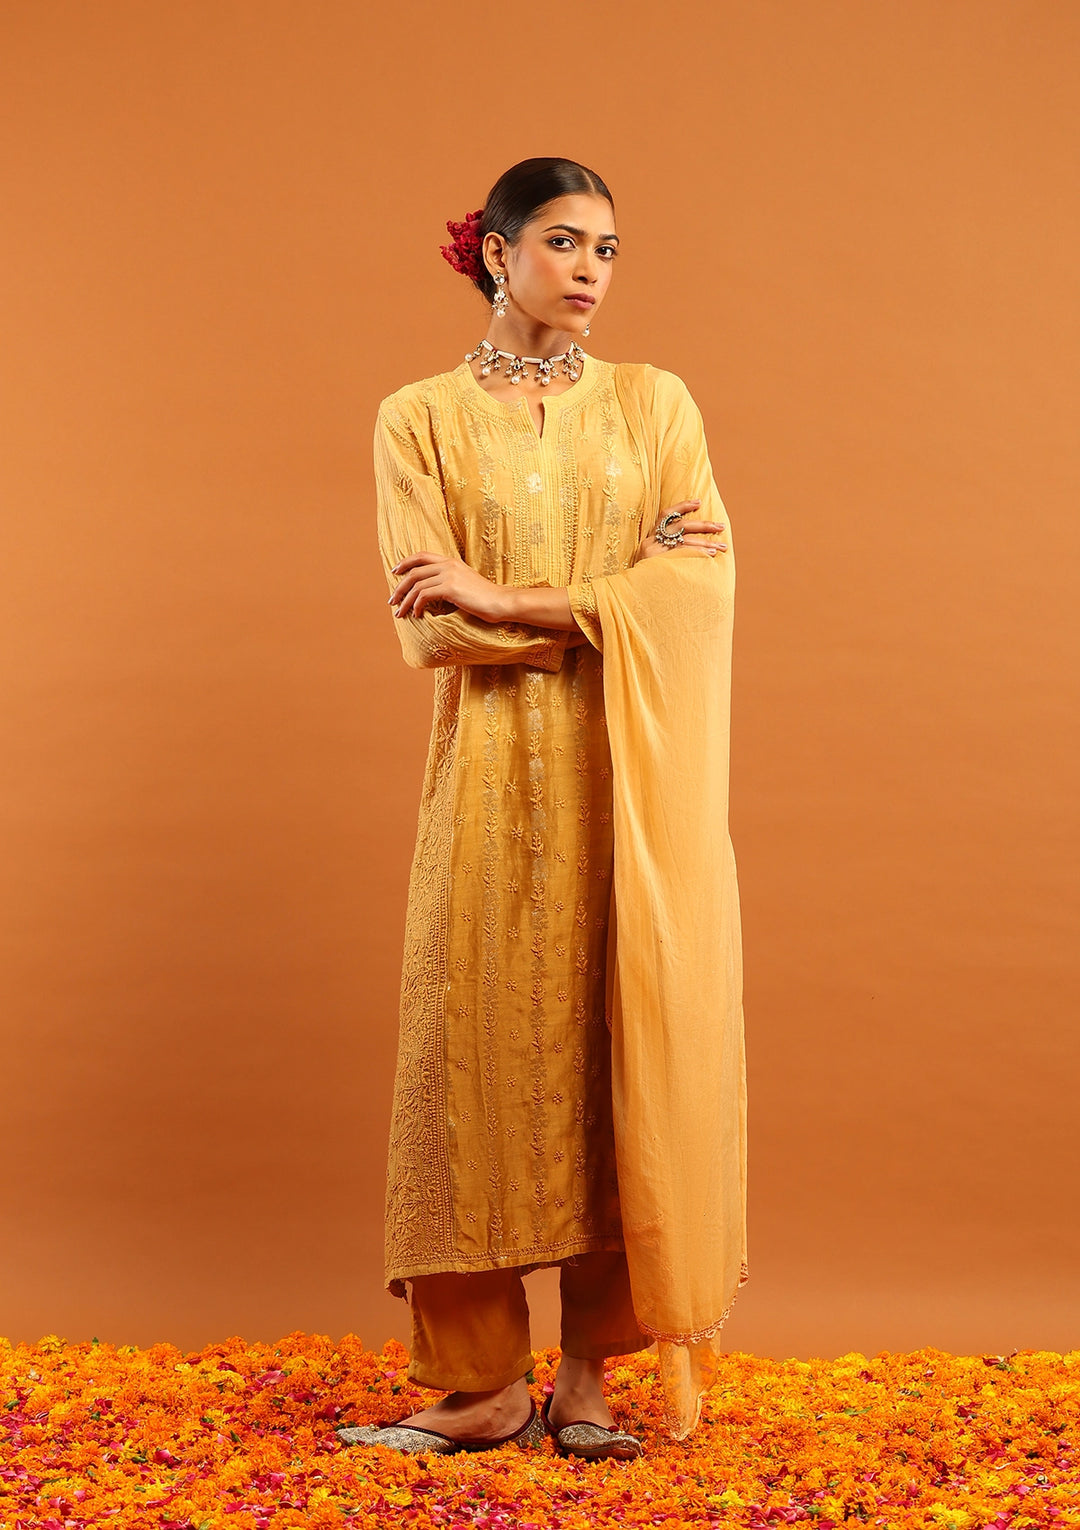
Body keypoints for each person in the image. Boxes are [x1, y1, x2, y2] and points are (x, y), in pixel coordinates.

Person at [337, 157, 748, 1461]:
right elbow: (430, 629)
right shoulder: (417, 419)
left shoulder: (654, 403)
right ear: (495, 251)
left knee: (620, 1050)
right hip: (484, 782)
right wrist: (602, 607)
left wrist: (509, 596)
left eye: (608, 249)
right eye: (564, 241)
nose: (590, 270)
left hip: (631, 780)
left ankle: (586, 1377)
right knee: (469, 1064)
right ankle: (479, 1383)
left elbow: (701, 590)